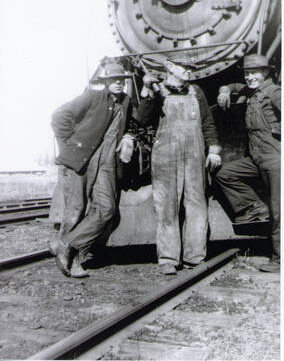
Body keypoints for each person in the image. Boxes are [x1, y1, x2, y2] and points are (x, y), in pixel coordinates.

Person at [135, 56, 222, 275]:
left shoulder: (196, 92)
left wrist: (213, 149)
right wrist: (147, 92)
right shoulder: (158, 90)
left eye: (190, 69)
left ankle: (195, 257)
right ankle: (168, 259)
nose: (188, 72)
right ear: (171, 68)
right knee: (166, 207)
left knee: (196, 204)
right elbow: (142, 120)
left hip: (194, 156)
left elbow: (208, 123)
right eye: (184, 68)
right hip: (165, 156)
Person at [49, 62, 135, 277]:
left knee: (106, 209)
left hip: (106, 162)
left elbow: (133, 122)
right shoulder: (93, 97)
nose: (118, 83)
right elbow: (60, 115)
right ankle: (74, 261)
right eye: (114, 80)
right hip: (83, 160)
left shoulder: (125, 102)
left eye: (122, 80)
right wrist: (70, 142)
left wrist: (128, 136)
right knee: (77, 209)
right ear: (106, 82)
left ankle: (67, 244)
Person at [215, 54, 281, 273]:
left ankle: (279, 259)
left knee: (279, 210)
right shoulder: (252, 91)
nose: (250, 77)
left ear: (267, 73)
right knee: (225, 174)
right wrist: (225, 90)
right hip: (256, 158)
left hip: (274, 158)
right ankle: (254, 206)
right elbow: (234, 85)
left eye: (255, 72)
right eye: (247, 73)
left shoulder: (274, 92)